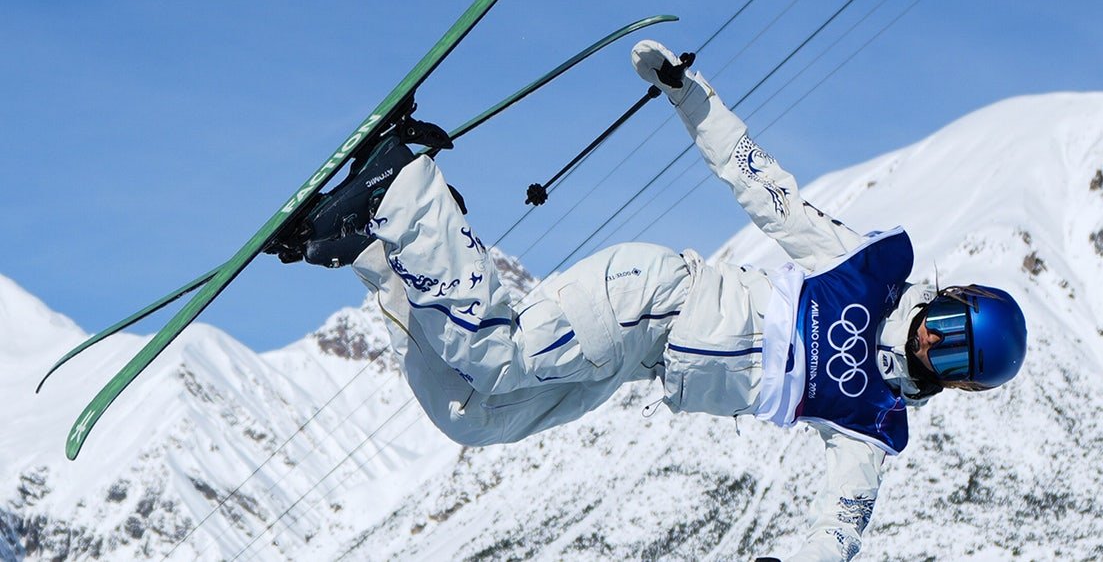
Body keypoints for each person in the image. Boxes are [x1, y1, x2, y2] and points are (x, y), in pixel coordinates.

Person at [274, 40, 1028, 562]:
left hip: (637, 363)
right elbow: (761, 184)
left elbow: (841, 528)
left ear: (960, 384)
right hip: (652, 298)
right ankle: (402, 182)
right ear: (949, 299)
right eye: (952, 327)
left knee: (476, 418)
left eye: (958, 360)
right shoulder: (864, 271)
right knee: (494, 357)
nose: (937, 347)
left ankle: (371, 250)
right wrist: (690, 96)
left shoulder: (873, 421)